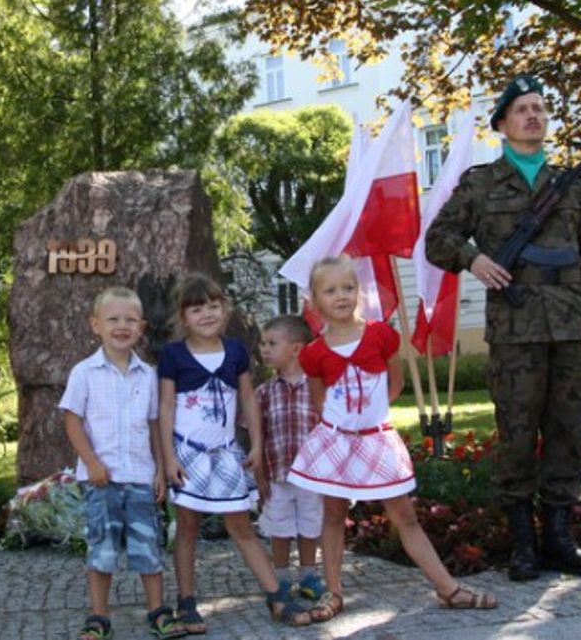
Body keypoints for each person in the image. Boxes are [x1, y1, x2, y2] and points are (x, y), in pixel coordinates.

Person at [425, 74, 581, 582]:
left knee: (570, 431)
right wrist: (474, 259)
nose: (534, 116)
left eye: (540, 108)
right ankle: (523, 543)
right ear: (503, 124)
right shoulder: (482, 183)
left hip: (571, 326)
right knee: (516, 432)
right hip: (515, 329)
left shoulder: (570, 185)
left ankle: (559, 538)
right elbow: (438, 239)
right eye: (523, 109)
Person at [287, 256, 497, 626]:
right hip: (336, 444)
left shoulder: (381, 335)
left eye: (348, 287)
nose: (341, 296)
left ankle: (447, 588)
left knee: (404, 517)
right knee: (333, 515)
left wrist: (370, 420)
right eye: (330, 290)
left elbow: (394, 384)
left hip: (376, 441)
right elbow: (319, 400)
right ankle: (334, 592)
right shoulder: (313, 353)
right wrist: (344, 426)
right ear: (315, 301)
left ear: (359, 291)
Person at [157, 273, 305, 633]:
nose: (207, 314)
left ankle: (276, 596)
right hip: (188, 454)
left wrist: (256, 443)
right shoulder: (173, 355)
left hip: (225, 454)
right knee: (187, 527)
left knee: (241, 525)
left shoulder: (236, 350)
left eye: (213, 305)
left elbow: (248, 399)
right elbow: (165, 408)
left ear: (224, 309)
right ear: (182, 316)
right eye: (196, 309)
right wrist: (169, 459)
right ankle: (186, 602)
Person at [59, 287, 185, 640]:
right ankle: (99, 618)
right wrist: (92, 463)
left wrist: (159, 470)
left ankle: (158, 611)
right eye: (112, 319)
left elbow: (153, 425)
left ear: (141, 327)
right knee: (102, 549)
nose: (121, 326)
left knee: (148, 546)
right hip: (101, 480)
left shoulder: (148, 375)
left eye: (130, 320)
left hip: (141, 477)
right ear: (95, 325)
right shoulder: (84, 373)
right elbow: (72, 421)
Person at [256, 314, 325, 600]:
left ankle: (309, 575)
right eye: (262, 343)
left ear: (296, 348)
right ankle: (281, 578)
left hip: (312, 474)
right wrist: (259, 475)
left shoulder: (318, 387)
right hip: (278, 473)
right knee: (279, 526)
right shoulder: (264, 392)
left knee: (310, 523)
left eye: (272, 343)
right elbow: (257, 437)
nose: (264, 349)